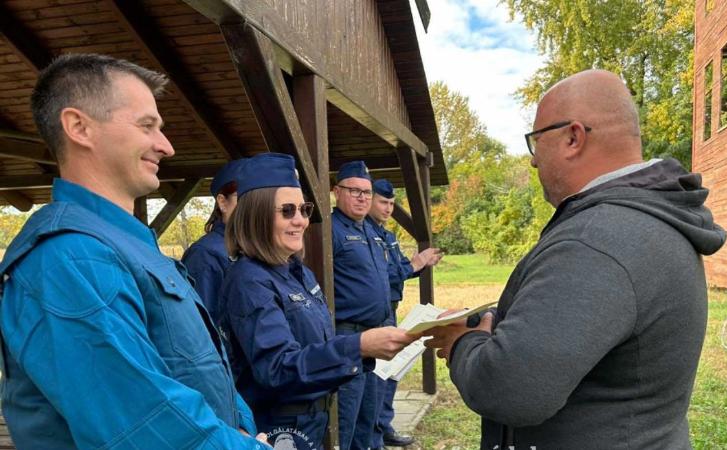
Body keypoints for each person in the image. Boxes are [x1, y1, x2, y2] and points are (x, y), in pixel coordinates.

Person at [424, 69, 727, 449]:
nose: (533, 162)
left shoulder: (597, 240)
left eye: (536, 141)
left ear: (573, 136)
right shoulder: (644, 220)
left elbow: (511, 390)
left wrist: (461, 343)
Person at [0, 53, 268, 449]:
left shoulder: (121, 245)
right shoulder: (71, 257)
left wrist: (241, 431)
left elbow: (196, 374)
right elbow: (143, 429)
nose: (167, 146)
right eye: (148, 126)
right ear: (79, 127)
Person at [218, 153, 418, 449]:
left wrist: (362, 351)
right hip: (280, 429)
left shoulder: (298, 272)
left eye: (303, 209)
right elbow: (277, 368)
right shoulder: (250, 279)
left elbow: (314, 347)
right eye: (287, 210)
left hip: (314, 419)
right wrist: (358, 345)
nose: (300, 220)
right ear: (257, 215)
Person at [366, 179, 442, 448]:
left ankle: (384, 425)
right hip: (372, 315)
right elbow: (384, 275)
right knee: (376, 375)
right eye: (383, 202)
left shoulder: (386, 235)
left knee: (391, 371)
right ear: (369, 200)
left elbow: (400, 268)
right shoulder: (365, 234)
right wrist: (415, 263)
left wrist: (420, 264)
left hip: (390, 308)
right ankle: (374, 429)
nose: (388, 209)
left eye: (391, 203)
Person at [330, 161, 393, 450]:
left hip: (375, 337)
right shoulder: (330, 230)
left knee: (368, 418)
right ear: (336, 192)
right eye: (353, 190)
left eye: (366, 192)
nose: (362, 197)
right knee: (346, 421)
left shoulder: (370, 230)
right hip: (349, 338)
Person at [182, 158, 246, 318]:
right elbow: (202, 323)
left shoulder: (258, 248)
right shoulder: (205, 255)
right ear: (223, 202)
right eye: (243, 198)